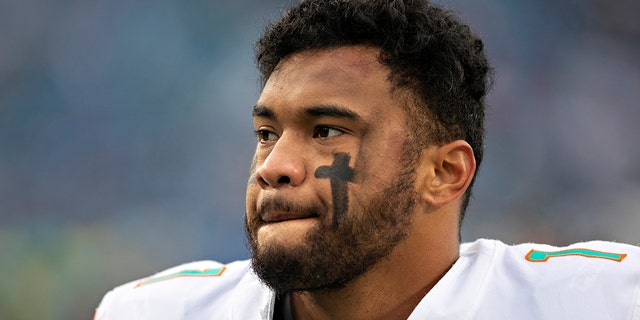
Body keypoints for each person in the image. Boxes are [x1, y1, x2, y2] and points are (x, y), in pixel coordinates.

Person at [95, 0, 640, 319]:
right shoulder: (151, 312)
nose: (273, 166)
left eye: (326, 130)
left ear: (444, 173)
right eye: (266, 132)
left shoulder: (599, 301)